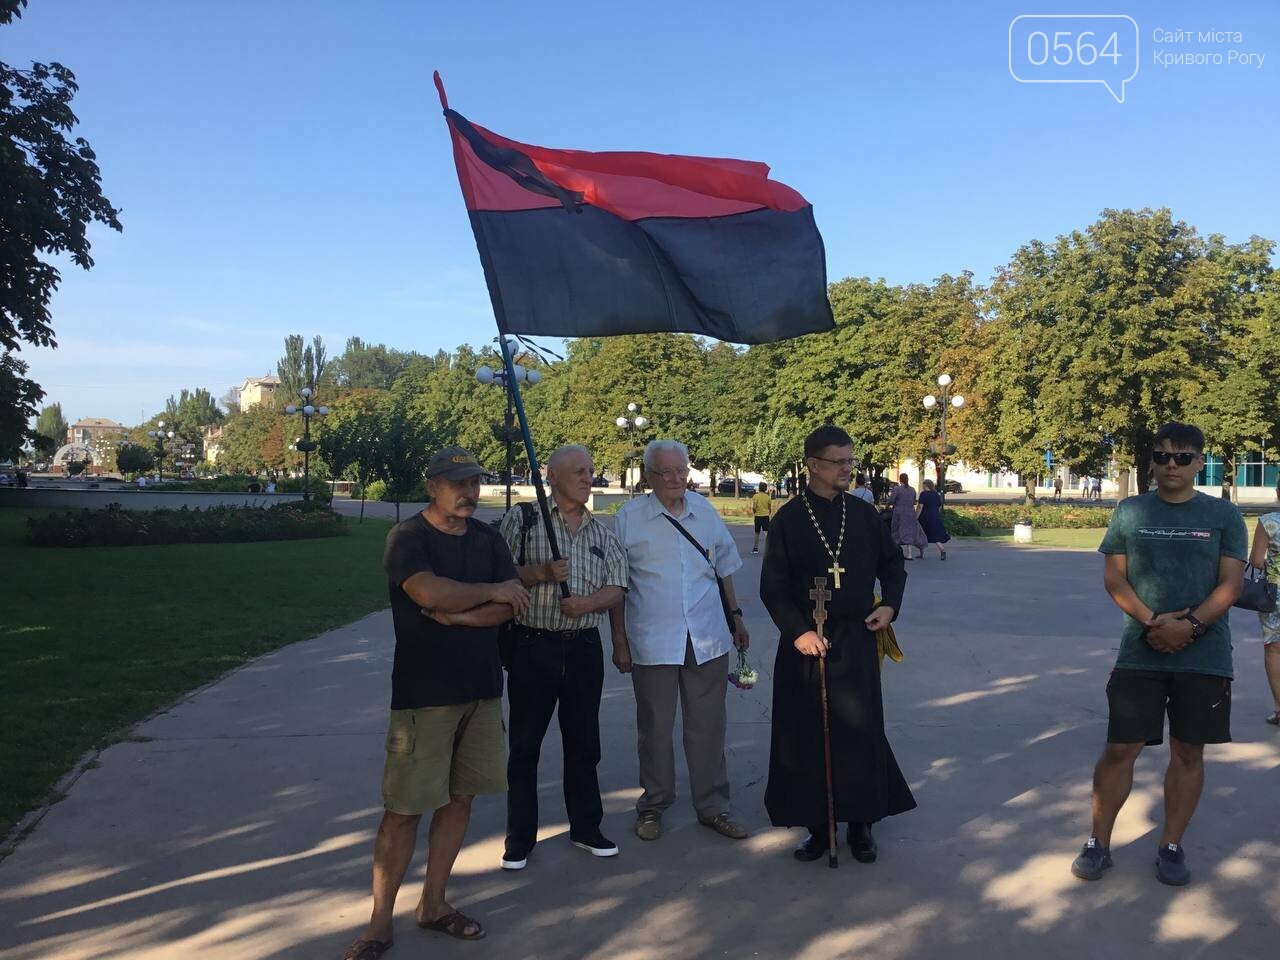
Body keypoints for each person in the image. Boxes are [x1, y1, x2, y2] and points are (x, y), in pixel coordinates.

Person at [343, 447, 531, 960]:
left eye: (474, 482)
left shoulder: (488, 538)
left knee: (460, 799)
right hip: (424, 696)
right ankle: (380, 925)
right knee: (403, 809)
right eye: (458, 483)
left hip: (482, 690)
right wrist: (485, 593)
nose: (469, 492)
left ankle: (434, 904)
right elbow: (429, 592)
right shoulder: (408, 538)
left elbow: (507, 606)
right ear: (433, 486)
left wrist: (464, 614)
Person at [1071, 422, 1246, 889]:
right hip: (1140, 653)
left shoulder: (1224, 515)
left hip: (1204, 656)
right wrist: (1153, 623)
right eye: (1163, 455)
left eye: (1182, 457)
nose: (1171, 464)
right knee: (1120, 748)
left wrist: (1188, 626)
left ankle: (1170, 845)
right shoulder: (1130, 511)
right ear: (1152, 459)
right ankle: (1098, 843)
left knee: (1189, 750)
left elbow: (1231, 584)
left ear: (1199, 462)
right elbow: (1114, 577)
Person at [760, 425, 915, 863]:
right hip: (806, 643)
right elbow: (773, 587)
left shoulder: (864, 515)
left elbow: (893, 565)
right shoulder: (789, 519)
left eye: (850, 460)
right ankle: (816, 826)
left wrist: (890, 607)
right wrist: (799, 632)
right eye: (839, 462)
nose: (848, 468)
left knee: (859, 731)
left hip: (857, 638)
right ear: (812, 464)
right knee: (805, 734)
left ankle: (862, 824)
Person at [610, 439, 751, 842]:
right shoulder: (629, 518)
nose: (675, 479)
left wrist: (735, 616)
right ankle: (653, 805)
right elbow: (616, 586)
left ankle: (713, 806)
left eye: (681, 470)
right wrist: (619, 640)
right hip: (652, 640)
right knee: (654, 727)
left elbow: (723, 567)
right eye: (665, 472)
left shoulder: (704, 511)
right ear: (649, 476)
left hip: (706, 637)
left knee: (708, 727)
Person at [498, 445, 628, 871]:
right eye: (579, 472)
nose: (589, 478)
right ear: (551, 476)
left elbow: (618, 587)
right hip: (533, 645)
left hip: (583, 647)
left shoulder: (601, 532)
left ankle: (586, 828)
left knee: (584, 744)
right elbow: (494, 573)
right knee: (524, 746)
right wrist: (539, 574)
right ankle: (520, 839)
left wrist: (587, 604)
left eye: (591, 471)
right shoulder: (525, 519)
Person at [1247, 482, 1280, 725]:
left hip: (1274, 594)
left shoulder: (1268, 521)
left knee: (1274, 649)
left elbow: (1256, 561)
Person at [885, 473, 928, 561]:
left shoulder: (897, 489)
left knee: (896, 530)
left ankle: (904, 553)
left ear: (900, 479)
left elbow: (891, 500)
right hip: (911, 512)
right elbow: (914, 502)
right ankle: (919, 549)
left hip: (899, 512)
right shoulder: (912, 489)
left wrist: (887, 506)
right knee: (913, 530)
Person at [915, 479, 949, 560]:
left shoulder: (923, 494)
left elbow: (920, 507)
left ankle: (921, 553)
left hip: (925, 516)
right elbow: (939, 506)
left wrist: (916, 517)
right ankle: (942, 550)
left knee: (921, 535)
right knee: (935, 535)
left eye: (923, 485)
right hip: (935, 516)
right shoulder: (936, 494)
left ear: (925, 485)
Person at [751, 482, 773, 555]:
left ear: (759, 488)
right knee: (766, 532)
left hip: (758, 516)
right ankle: (770, 548)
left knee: (757, 532)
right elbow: (770, 508)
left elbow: (754, 507)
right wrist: (768, 512)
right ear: (765, 488)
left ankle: (755, 548)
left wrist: (754, 512)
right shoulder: (768, 497)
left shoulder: (755, 496)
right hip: (765, 516)